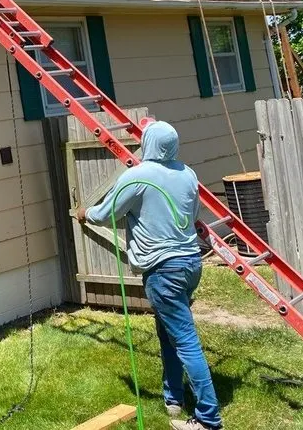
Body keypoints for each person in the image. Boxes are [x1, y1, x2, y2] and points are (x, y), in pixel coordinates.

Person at [76, 120, 224, 430]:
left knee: (184, 340)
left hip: (163, 271)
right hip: (190, 264)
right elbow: (194, 213)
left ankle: (209, 419)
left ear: (148, 144)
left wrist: (83, 213)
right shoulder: (187, 173)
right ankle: (174, 397)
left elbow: (106, 215)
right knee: (168, 333)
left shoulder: (136, 176)